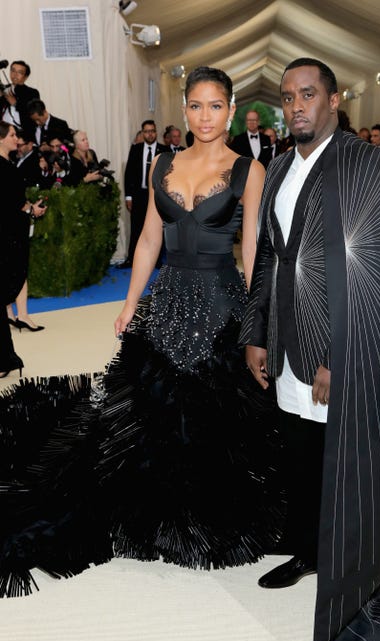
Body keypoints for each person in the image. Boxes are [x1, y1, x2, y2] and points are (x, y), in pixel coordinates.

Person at [0, 67, 284, 597]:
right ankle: (153, 510)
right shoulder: (165, 164)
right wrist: (130, 304)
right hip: (167, 297)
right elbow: (150, 238)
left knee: (211, 414)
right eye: (196, 106)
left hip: (221, 301)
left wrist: (257, 320)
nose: (205, 116)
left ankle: (200, 517)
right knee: (149, 412)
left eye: (215, 106)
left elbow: (253, 251)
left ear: (230, 107)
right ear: (185, 109)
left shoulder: (250, 169)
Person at [239, 57, 380, 641]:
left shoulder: (369, 169)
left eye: (307, 95)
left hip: (336, 355)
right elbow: (268, 258)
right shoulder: (282, 167)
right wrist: (257, 333)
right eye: (287, 97)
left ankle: (344, 569)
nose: (296, 107)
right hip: (286, 339)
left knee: (344, 463)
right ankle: (309, 553)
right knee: (300, 453)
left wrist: (342, 355)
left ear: (335, 99)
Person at [0, 121, 47, 366]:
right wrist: (31, 210)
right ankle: (7, 358)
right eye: (12, 134)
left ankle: (7, 358)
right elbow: (14, 205)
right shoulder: (7, 170)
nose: (16, 138)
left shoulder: (8, 168)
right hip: (7, 238)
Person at [122, 119, 168, 267]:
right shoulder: (135, 149)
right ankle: (132, 259)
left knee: (156, 228)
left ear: (156, 132)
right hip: (138, 195)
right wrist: (128, 196)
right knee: (136, 227)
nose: (150, 134)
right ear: (143, 133)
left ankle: (157, 260)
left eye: (152, 131)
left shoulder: (164, 151)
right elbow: (128, 173)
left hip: (157, 196)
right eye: (147, 131)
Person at [0, 60, 39, 135]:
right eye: (13, 71)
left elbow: (34, 113)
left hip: (23, 134)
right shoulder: (4, 89)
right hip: (3, 133)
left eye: (20, 72)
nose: (15, 75)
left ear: (25, 77)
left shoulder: (32, 92)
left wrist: (15, 104)